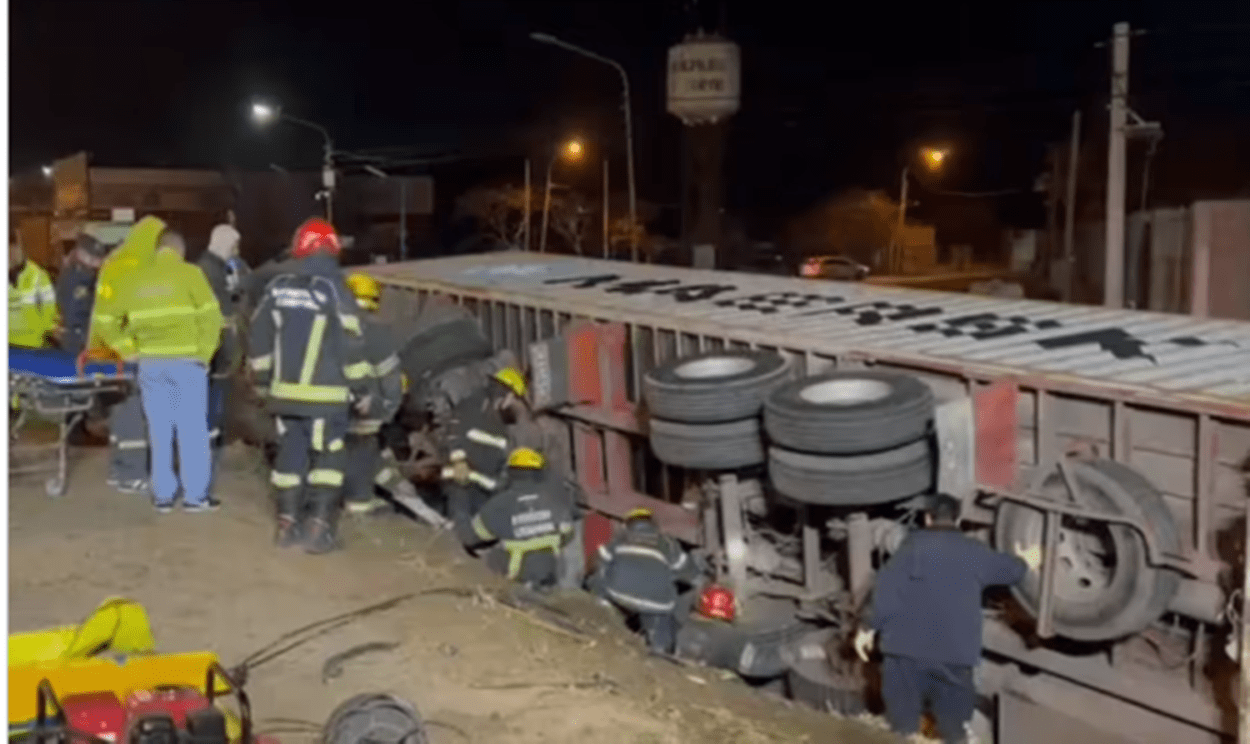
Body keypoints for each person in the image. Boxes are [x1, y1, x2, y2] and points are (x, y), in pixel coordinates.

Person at [853, 493, 1040, 744]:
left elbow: (884, 590)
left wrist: (866, 628)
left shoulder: (909, 549)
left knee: (901, 728)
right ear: (959, 519)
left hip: (904, 654)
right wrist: (1026, 560)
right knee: (953, 727)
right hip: (952, 656)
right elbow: (1011, 570)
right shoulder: (974, 552)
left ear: (927, 518)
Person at [247, 217, 374, 554]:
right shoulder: (336, 289)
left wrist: (262, 383)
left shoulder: (277, 288)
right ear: (331, 249)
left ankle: (286, 526)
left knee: (290, 455)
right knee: (328, 460)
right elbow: (354, 344)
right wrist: (362, 389)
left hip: (284, 396)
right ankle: (317, 529)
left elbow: (258, 337)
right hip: (327, 397)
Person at [121, 229, 224, 512]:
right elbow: (212, 317)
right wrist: (204, 355)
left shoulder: (136, 280)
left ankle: (163, 496)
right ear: (178, 250)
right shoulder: (190, 274)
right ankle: (195, 497)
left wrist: (129, 349)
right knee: (191, 430)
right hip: (186, 363)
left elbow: (118, 322)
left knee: (159, 430)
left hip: (150, 364)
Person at [91, 216, 170, 494]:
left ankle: (119, 469)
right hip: (122, 355)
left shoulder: (118, 262)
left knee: (120, 414)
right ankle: (131, 475)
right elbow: (111, 317)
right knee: (133, 414)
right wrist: (131, 352)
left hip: (108, 352)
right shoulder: (130, 267)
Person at [591, 507, 701, 655]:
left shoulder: (620, 539)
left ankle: (602, 619)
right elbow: (690, 573)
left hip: (619, 596)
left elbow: (598, 562)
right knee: (664, 611)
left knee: (595, 580)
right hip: (657, 603)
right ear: (654, 525)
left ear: (626, 525)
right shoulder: (667, 543)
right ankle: (660, 647)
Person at [464, 447, 577, 589]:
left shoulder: (499, 504)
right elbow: (569, 533)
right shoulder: (554, 501)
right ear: (540, 474)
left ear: (510, 473)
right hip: (551, 576)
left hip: (515, 578)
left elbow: (473, 537)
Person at [440, 367, 529, 547]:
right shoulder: (473, 404)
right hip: (460, 481)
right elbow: (454, 431)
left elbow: (497, 461)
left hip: (482, 486)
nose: (512, 403)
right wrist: (459, 461)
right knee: (461, 526)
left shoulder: (501, 426)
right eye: (513, 398)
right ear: (507, 394)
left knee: (481, 531)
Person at [342, 272, 405, 515]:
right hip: (362, 419)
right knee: (362, 455)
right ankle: (359, 505)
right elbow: (390, 380)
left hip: (324, 414)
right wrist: (386, 409)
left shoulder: (326, 327)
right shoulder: (377, 333)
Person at [197, 223, 243, 482]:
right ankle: (209, 445)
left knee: (217, 397)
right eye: (234, 246)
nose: (236, 251)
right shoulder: (209, 269)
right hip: (214, 348)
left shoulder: (216, 267)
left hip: (217, 346)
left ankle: (213, 440)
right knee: (212, 397)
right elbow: (219, 313)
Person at [55, 232, 108, 355]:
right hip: (77, 344)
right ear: (80, 254)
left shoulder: (88, 276)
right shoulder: (75, 278)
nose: (98, 262)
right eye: (93, 257)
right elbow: (74, 316)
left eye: (98, 258)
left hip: (82, 342)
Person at [9, 232, 60, 349]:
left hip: (32, 344)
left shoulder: (38, 275)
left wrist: (48, 331)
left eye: (13, 250)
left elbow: (50, 309)